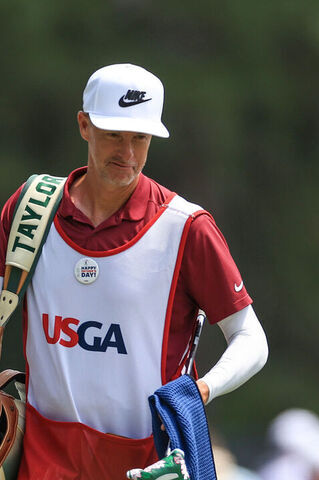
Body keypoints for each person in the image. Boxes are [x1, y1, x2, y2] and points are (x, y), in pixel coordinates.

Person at [0, 63, 269, 479]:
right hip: (42, 458)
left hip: (148, 464)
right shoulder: (31, 207)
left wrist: (201, 391)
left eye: (140, 138)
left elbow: (251, 339)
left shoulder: (187, 227)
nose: (127, 153)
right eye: (113, 135)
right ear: (84, 125)